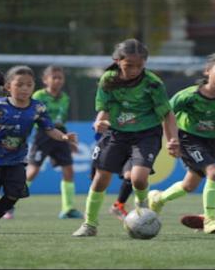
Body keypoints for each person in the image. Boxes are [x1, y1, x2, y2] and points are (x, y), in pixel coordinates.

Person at [0, 66, 77, 236]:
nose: (25, 88)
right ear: (8, 87)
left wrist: (63, 137)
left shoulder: (37, 107)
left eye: (29, 85)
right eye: (19, 85)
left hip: (16, 158)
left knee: (14, 194)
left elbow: (49, 129)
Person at [72, 38, 179, 237]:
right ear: (118, 61)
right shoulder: (108, 79)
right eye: (129, 65)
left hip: (147, 134)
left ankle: (142, 207)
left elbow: (167, 114)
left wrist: (173, 139)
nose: (134, 70)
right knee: (101, 178)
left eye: (139, 66)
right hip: (117, 133)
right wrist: (99, 122)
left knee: (138, 179)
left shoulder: (153, 84)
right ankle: (90, 225)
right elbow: (103, 110)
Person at [148, 51, 215, 234]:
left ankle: (159, 199)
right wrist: (171, 140)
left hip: (214, 140)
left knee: (189, 185)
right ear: (207, 71)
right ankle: (210, 220)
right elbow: (167, 114)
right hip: (189, 138)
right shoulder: (188, 95)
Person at [23, 65, 83, 219]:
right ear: (45, 80)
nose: (57, 80)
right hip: (43, 135)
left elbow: (61, 122)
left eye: (60, 78)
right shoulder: (38, 96)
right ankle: (8, 205)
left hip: (60, 136)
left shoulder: (65, 98)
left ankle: (68, 209)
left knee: (69, 170)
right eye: (54, 77)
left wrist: (69, 142)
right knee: (32, 171)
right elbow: (30, 116)